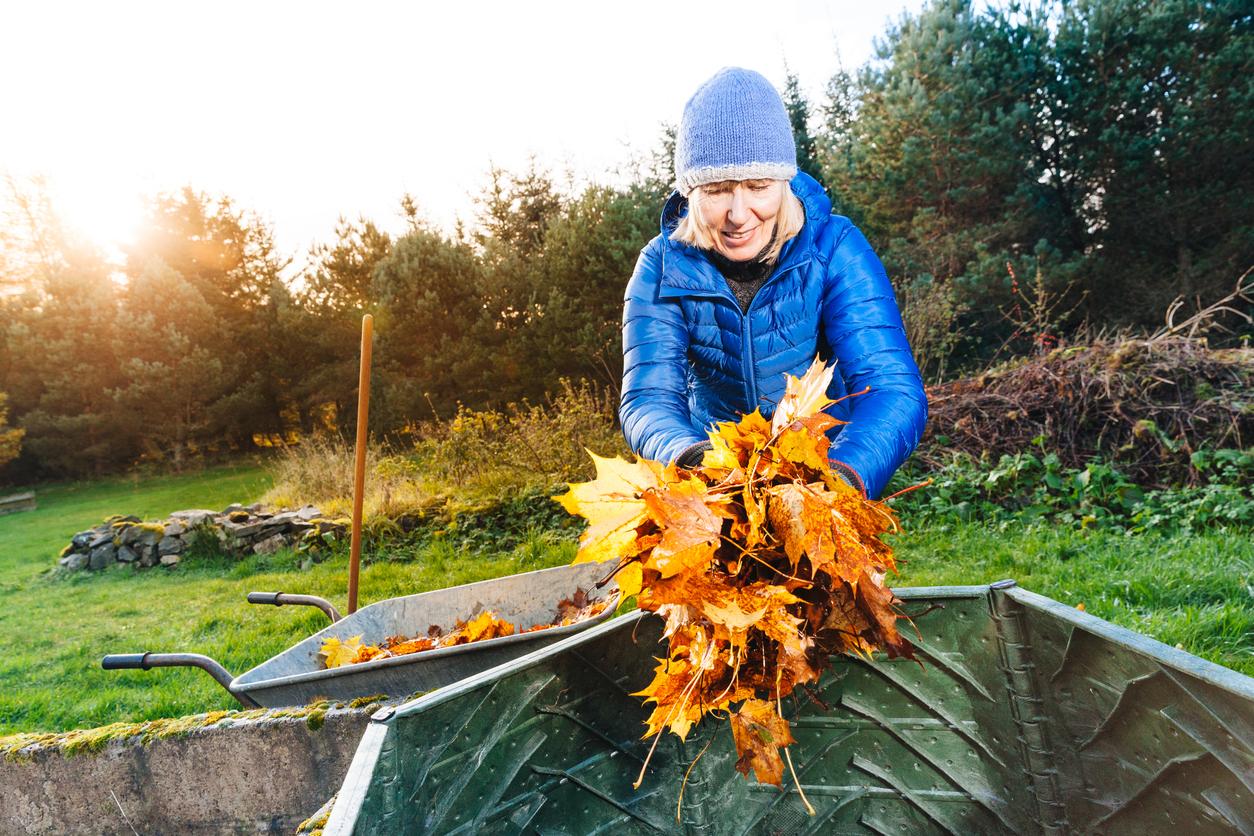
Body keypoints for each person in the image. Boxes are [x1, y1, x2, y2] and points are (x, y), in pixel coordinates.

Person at [619, 67, 927, 499]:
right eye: (718, 190)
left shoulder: (834, 246)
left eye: (758, 186)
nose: (739, 214)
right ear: (691, 193)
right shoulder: (662, 265)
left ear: (783, 183)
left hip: (823, 469)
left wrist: (841, 479)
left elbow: (891, 388)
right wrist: (697, 464)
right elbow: (648, 399)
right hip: (712, 484)